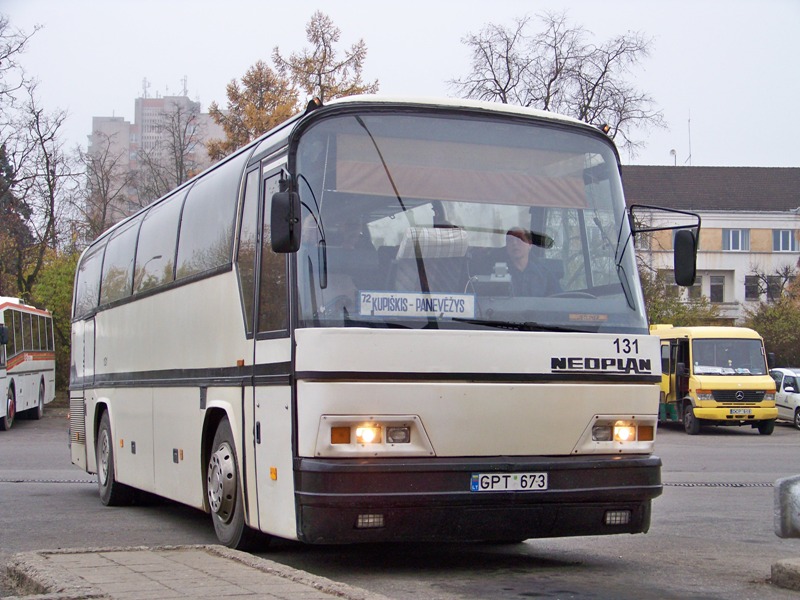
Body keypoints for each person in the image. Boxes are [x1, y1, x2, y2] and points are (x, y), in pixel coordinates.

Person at [504, 227, 561, 296]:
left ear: (530, 245)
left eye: (519, 239)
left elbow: (559, 302)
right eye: (510, 240)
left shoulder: (545, 275)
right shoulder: (497, 276)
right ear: (506, 246)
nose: (514, 243)